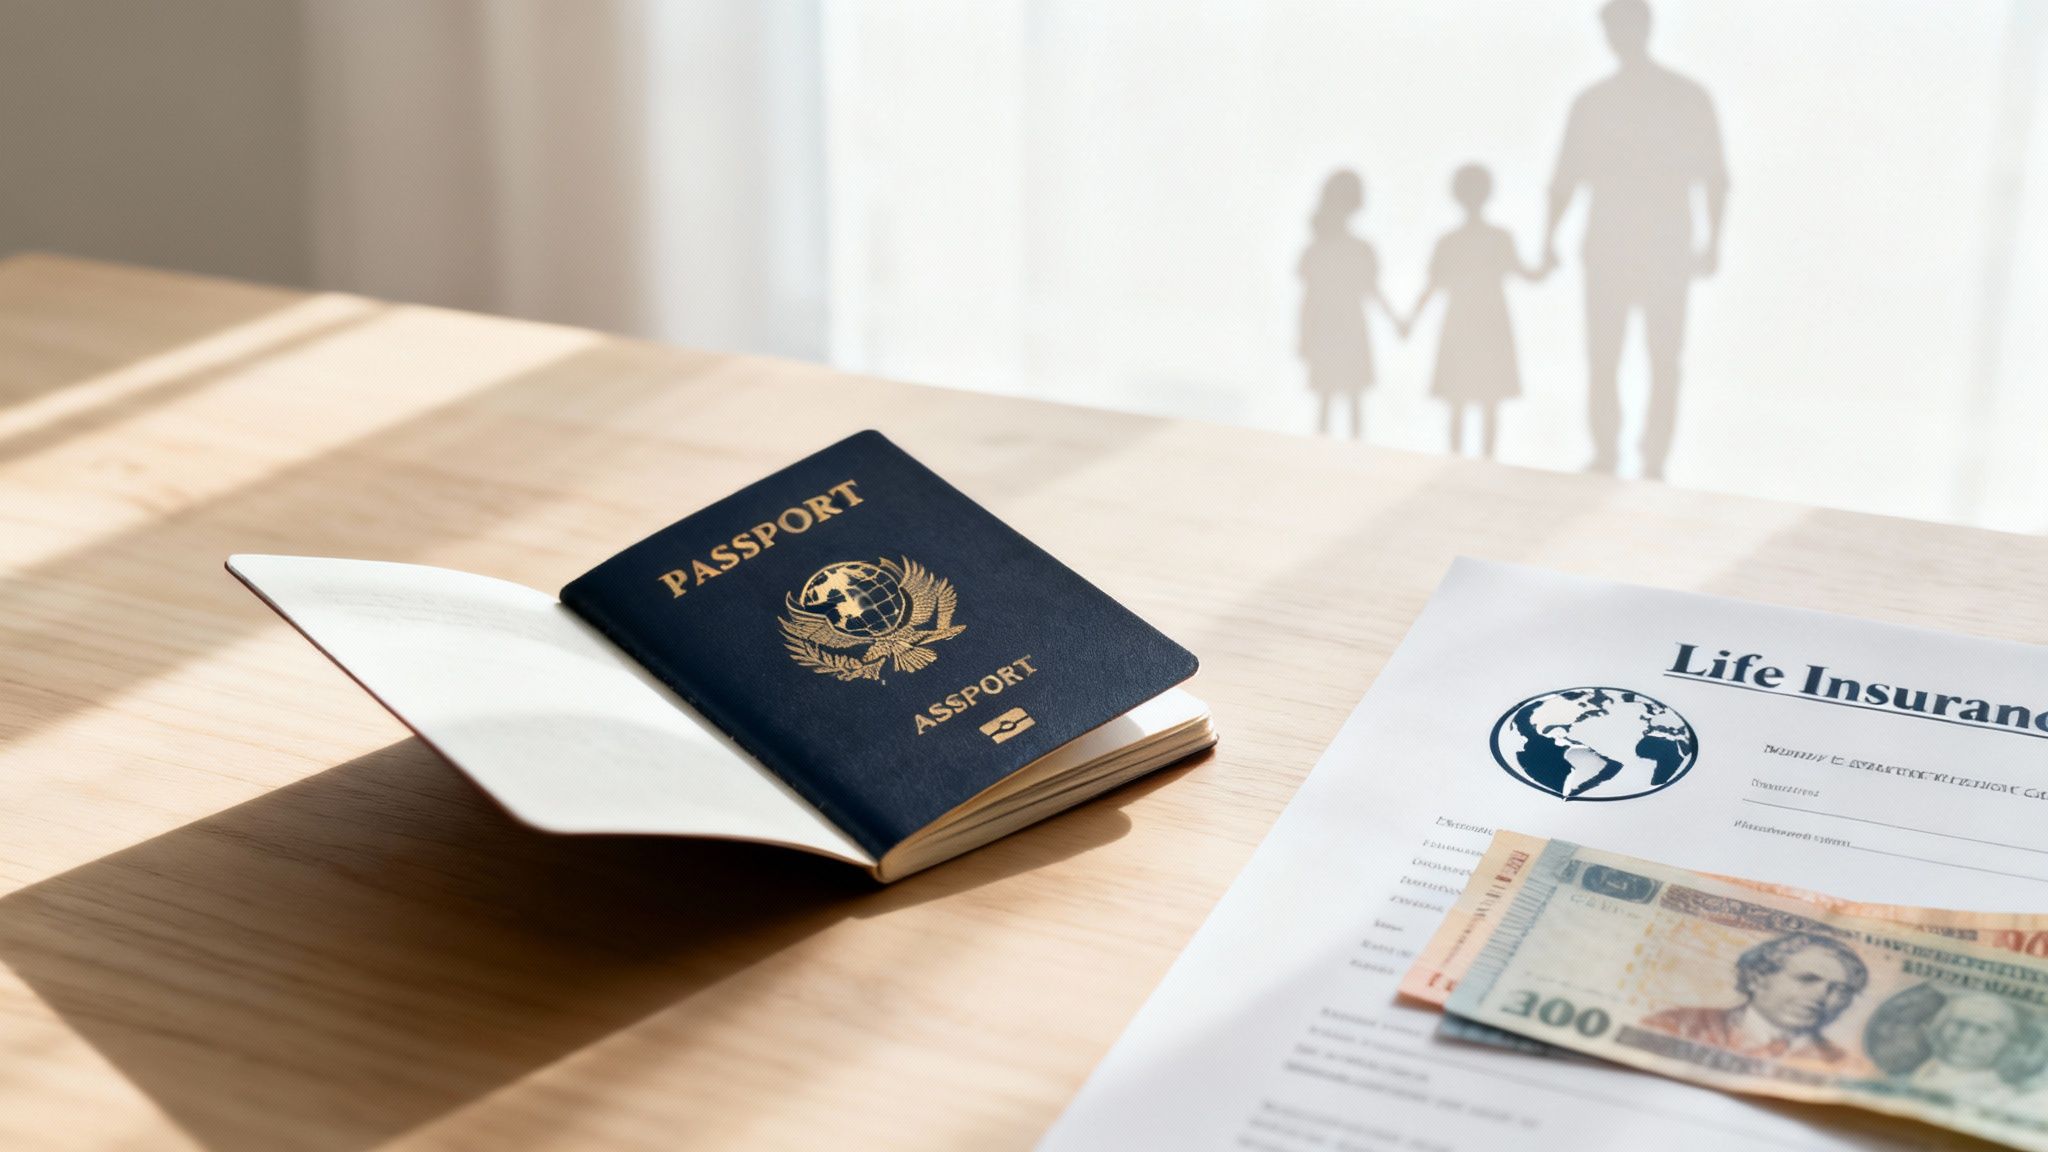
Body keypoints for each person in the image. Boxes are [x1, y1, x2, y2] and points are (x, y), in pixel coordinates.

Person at [1545, 0, 1728, 480]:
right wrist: (1712, 241)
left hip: (1644, 245)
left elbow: (1714, 176)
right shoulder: (1680, 97)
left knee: (1644, 355)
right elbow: (1566, 178)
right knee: (1629, 356)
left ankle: (1643, 455)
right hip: (1638, 244)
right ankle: (1626, 452)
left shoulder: (1606, 101)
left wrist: (1714, 240)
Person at [1406, 164, 1548, 460]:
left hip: (1462, 323)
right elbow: (1528, 275)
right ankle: (1485, 462)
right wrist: (1548, 262)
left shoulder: (1450, 242)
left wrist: (1409, 321)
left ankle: (1459, 460)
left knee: (1462, 399)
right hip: (1489, 323)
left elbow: (1431, 288)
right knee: (1487, 399)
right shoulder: (1498, 238)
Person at [1641, 932, 1867, 1063]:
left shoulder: (1842, 1061)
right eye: (1807, 979)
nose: (1820, 996)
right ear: (1757, 978)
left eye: (1841, 990)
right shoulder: (1675, 1025)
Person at [1297, 169, 1402, 439]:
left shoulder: (1341, 249)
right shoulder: (1347, 249)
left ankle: (1338, 452)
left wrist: (1396, 321)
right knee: (1336, 398)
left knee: (1340, 398)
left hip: (1337, 328)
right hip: (1336, 329)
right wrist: (1396, 322)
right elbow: (1371, 292)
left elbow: (1370, 292)